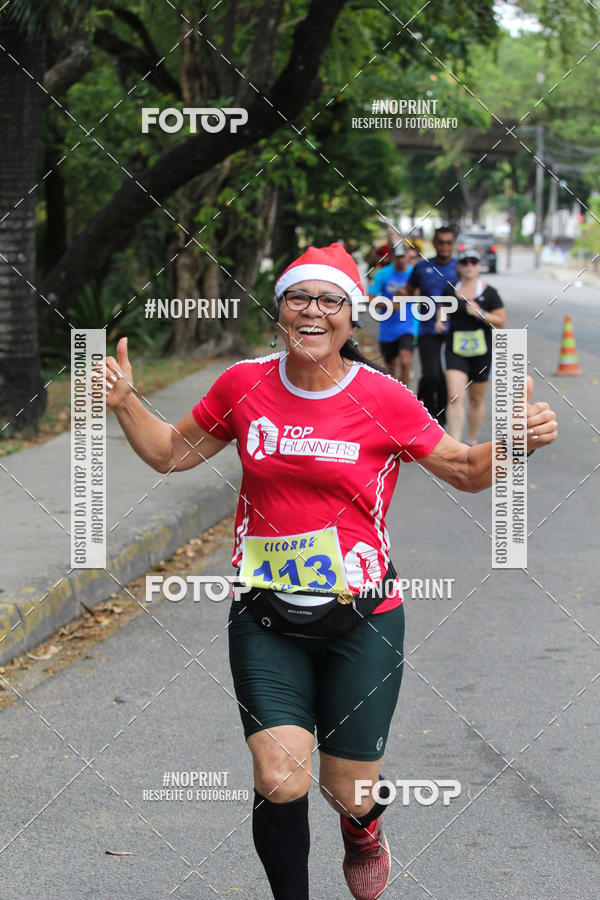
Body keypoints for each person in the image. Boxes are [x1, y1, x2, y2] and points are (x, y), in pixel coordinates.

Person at [99, 242, 557, 900]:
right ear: (279, 310)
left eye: (330, 300)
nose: (313, 311)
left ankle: (363, 828)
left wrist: (514, 442)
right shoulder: (244, 384)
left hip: (362, 620)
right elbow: (172, 452)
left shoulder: (383, 397)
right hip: (266, 614)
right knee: (279, 775)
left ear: (351, 317)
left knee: (349, 791)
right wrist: (124, 401)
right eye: (299, 297)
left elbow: (462, 469)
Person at [436, 248, 506, 444]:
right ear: (459, 266)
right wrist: (440, 321)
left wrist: (480, 313)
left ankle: (471, 441)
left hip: (482, 351)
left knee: (476, 399)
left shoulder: (490, 293)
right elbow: (443, 311)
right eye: (465, 262)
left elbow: (501, 320)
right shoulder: (450, 290)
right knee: (454, 395)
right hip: (455, 349)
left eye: (473, 262)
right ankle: (456, 446)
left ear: (480, 266)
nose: (469, 266)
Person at [400, 226, 458, 425]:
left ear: (453, 244)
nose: (445, 246)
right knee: (431, 374)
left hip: (454, 332)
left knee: (446, 377)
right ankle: (429, 414)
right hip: (428, 330)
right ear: (434, 243)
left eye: (449, 242)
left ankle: (440, 419)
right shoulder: (422, 267)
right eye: (441, 242)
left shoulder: (459, 267)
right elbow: (408, 290)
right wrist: (398, 295)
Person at [368, 242, 417, 385]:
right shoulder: (383, 273)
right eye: (398, 257)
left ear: (407, 256)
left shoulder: (414, 273)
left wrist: (407, 296)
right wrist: (388, 304)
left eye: (403, 256)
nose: (401, 260)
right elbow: (369, 298)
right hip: (388, 328)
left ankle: (406, 396)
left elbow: (425, 295)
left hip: (408, 326)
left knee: (405, 362)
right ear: (392, 257)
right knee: (391, 370)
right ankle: (394, 395)